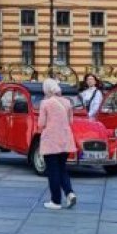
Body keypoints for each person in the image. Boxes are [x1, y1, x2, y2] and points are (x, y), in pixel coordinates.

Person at [38, 78, 77, 210]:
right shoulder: (67, 102)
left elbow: (41, 124)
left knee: (53, 171)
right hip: (65, 140)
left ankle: (55, 201)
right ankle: (69, 193)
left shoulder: (45, 103)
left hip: (51, 141)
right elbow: (71, 121)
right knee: (62, 168)